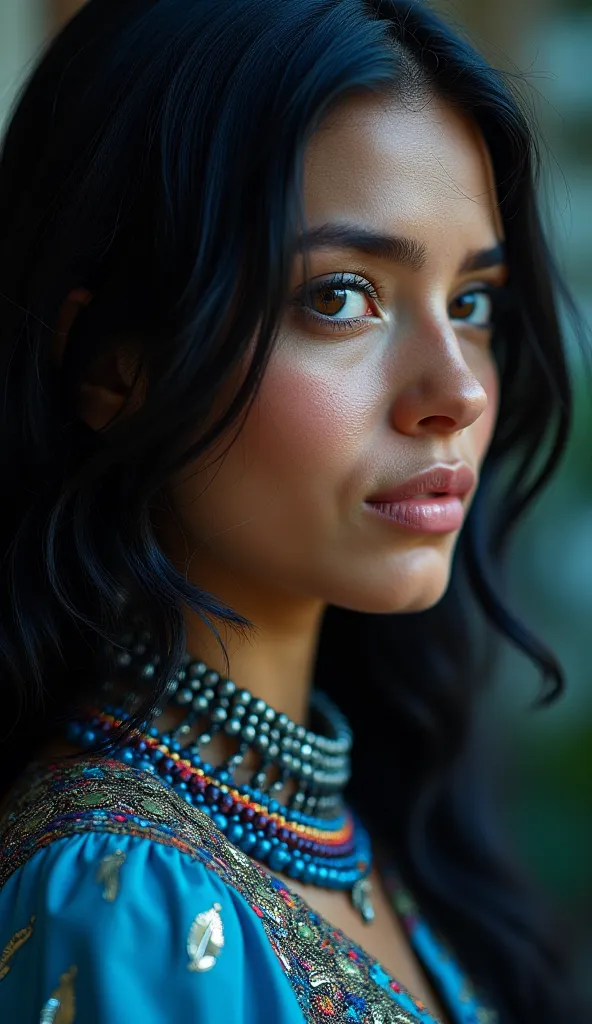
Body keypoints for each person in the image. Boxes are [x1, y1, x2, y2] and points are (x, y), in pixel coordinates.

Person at [0, 1, 588, 1021]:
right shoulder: (121, 892)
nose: (457, 390)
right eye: (342, 296)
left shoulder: (378, 828)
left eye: (472, 303)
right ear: (115, 364)